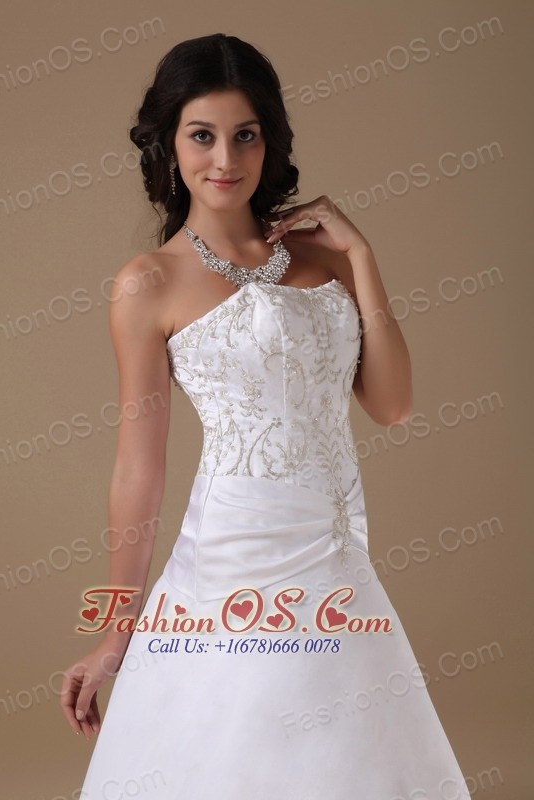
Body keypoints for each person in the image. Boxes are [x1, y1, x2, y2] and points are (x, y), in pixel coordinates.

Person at [60, 33, 471, 799]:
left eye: (245, 135)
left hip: (337, 548)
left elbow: (392, 406)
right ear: (168, 144)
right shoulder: (149, 282)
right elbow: (138, 467)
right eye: (202, 136)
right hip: (231, 558)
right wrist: (118, 631)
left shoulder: (325, 256)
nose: (225, 160)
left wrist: (362, 256)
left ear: (270, 140)